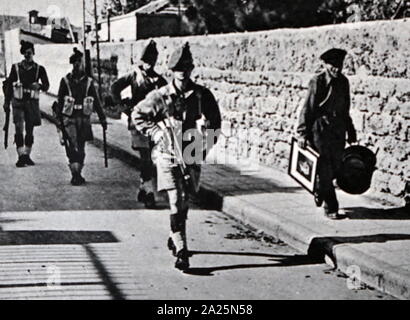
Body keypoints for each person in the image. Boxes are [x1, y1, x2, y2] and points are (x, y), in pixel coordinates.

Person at [132, 42, 222, 270]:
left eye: (186, 67)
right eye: (178, 68)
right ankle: (182, 250)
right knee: (177, 198)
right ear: (172, 70)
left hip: (191, 154)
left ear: (191, 69)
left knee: (185, 201)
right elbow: (138, 115)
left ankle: (175, 234)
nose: (182, 72)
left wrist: (203, 147)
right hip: (167, 154)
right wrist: (156, 132)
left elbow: (215, 124)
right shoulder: (160, 96)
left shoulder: (202, 95)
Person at [297, 48, 357, 219]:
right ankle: (331, 207)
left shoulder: (344, 82)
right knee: (324, 169)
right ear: (325, 64)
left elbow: (346, 109)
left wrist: (350, 130)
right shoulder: (318, 81)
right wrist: (302, 133)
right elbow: (308, 108)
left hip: (337, 131)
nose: (337, 69)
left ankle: (319, 187)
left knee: (335, 168)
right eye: (333, 65)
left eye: (340, 65)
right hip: (320, 130)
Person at [110, 40, 167, 208]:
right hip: (138, 122)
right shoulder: (134, 75)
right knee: (145, 156)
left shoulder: (160, 81)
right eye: (147, 61)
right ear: (142, 61)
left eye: (152, 60)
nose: (149, 64)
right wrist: (123, 107)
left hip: (155, 124)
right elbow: (115, 87)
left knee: (153, 158)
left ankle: (144, 188)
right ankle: (149, 192)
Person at [56, 48, 107, 186]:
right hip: (70, 119)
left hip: (83, 119)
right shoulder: (65, 81)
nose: (77, 65)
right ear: (72, 64)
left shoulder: (88, 82)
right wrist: (59, 122)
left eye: (79, 62)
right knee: (72, 146)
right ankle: (75, 174)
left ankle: (78, 172)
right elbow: (59, 102)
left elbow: (95, 100)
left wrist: (102, 118)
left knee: (82, 146)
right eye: (75, 63)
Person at [3, 40, 49, 167]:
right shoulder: (16, 68)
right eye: (26, 53)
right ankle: (20, 155)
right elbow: (8, 87)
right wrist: (6, 102)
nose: (28, 55)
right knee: (19, 127)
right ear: (23, 54)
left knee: (30, 130)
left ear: (33, 53)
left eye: (30, 53)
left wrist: (39, 85)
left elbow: (46, 85)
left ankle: (27, 155)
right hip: (18, 102)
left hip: (32, 103)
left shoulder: (39, 69)